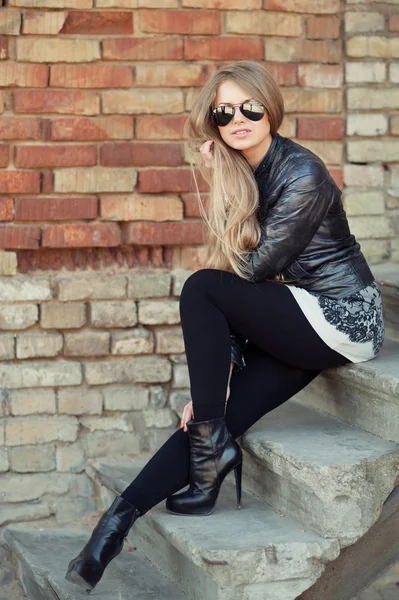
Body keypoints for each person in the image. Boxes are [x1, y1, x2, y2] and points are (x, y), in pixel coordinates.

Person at [65, 60, 384, 593]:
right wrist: (217, 387)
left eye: (250, 107)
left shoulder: (301, 173)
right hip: (298, 312)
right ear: (213, 121)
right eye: (224, 111)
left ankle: (211, 450)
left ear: (270, 108)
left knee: (200, 288)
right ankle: (112, 529)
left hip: (342, 315)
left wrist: (219, 181)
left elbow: (250, 271)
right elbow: (247, 284)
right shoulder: (249, 169)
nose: (239, 118)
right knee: (217, 417)